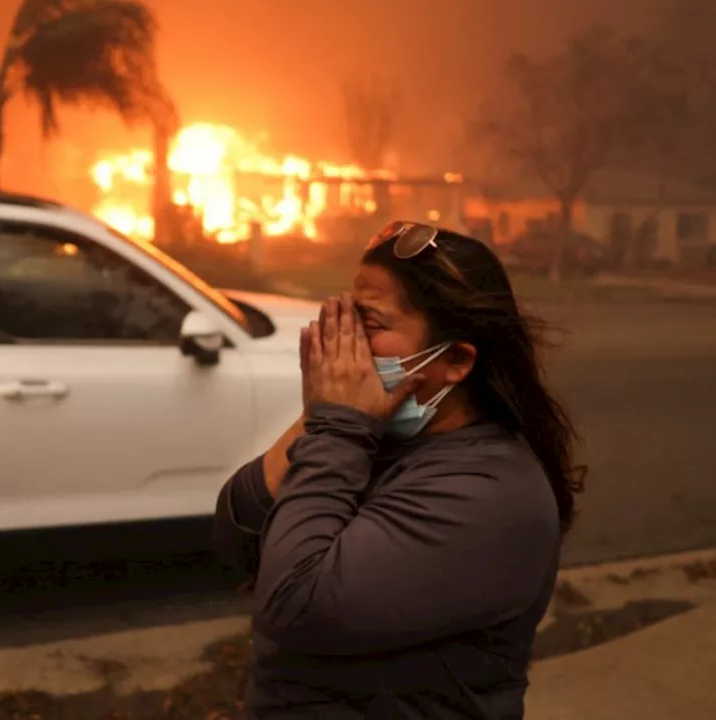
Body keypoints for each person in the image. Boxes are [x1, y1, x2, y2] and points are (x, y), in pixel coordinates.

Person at [213, 221, 584, 719]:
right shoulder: (373, 434)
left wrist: (336, 426)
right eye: (345, 319)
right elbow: (238, 527)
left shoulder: (490, 494)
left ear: (455, 359)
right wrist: (320, 414)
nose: (346, 345)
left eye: (369, 325)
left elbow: (293, 604)